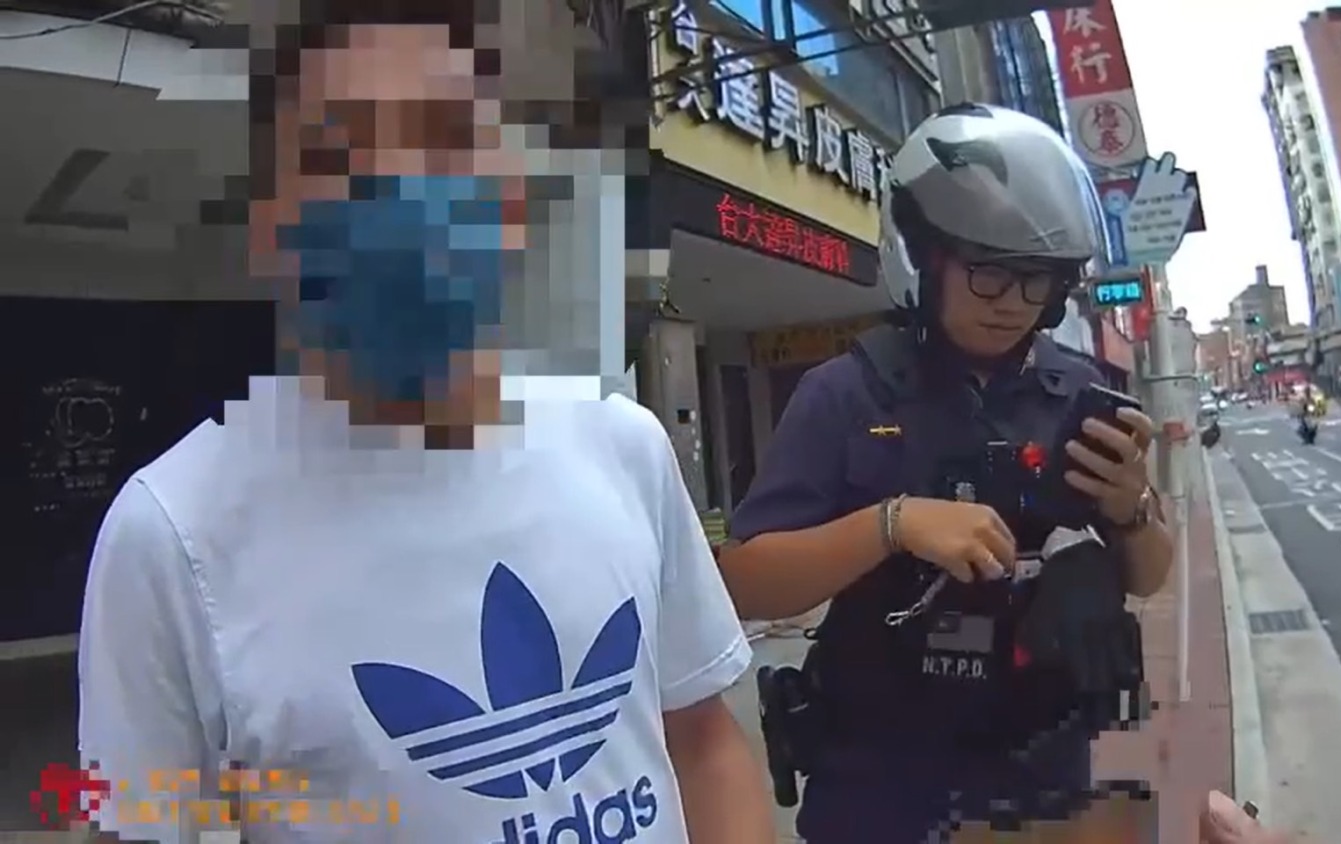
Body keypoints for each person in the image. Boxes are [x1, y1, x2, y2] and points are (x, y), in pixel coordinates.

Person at [74, 3, 774, 842]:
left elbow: (703, 743)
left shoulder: (625, 446)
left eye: (446, 143)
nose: (402, 196)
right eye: (340, 156)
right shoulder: (168, 536)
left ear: (513, 201)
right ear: (270, 223)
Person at [718, 104, 1174, 843]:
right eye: (988, 274)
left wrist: (1132, 508)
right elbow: (744, 582)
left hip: (1043, 784)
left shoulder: (1076, 392)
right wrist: (892, 525)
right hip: (882, 793)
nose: (1012, 305)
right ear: (924, 257)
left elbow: (1149, 576)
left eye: (1035, 281)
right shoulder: (846, 394)